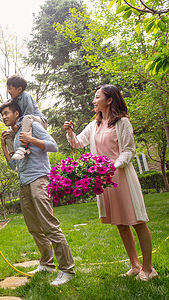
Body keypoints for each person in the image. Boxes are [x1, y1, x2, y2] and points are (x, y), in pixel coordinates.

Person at [63, 84, 158, 281]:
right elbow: (77, 143)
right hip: (105, 182)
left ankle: (148, 269)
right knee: (121, 223)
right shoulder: (94, 125)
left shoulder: (122, 123)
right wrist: (70, 132)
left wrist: (113, 167)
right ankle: (135, 266)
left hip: (122, 177)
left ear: (109, 100)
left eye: (97, 97)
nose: (93, 100)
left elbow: (129, 151)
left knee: (138, 221)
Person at [0, 101, 76, 286]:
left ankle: (67, 270)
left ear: (17, 113)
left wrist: (30, 139)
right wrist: (4, 146)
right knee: (34, 227)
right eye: (2, 115)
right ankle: (47, 263)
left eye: (6, 113)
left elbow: (53, 146)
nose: (4, 117)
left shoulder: (32, 126)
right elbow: (14, 165)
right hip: (24, 183)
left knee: (49, 225)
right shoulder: (15, 136)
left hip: (39, 180)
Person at [0, 74, 48, 160]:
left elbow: (28, 113)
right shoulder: (12, 100)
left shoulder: (26, 97)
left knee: (26, 119)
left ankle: (22, 148)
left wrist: (17, 125)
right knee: (7, 135)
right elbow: (0, 107)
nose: (8, 91)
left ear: (19, 89)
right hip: (25, 125)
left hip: (39, 121)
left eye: (10, 88)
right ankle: (16, 157)